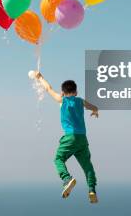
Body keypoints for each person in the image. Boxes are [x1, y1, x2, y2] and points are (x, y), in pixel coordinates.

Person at [32, 71, 99, 203]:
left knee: (58, 159)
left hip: (70, 138)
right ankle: (92, 189)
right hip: (82, 139)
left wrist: (40, 78)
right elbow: (94, 107)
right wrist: (95, 111)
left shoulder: (61, 100)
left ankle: (67, 179)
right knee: (87, 166)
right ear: (76, 92)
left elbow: (48, 88)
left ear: (63, 92)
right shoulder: (80, 101)